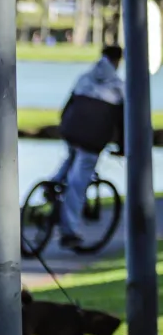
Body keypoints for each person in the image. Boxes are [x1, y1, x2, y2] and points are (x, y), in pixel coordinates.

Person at [53, 44, 125, 249]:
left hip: (71, 130)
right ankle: (69, 232)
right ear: (117, 61)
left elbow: (67, 106)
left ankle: (52, 184)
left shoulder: (84, 78)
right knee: (78, 184)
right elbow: (123, 123)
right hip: (93, 139)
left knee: (71, 157)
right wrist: (122, 147)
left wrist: (64, 126)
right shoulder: (118, 87)